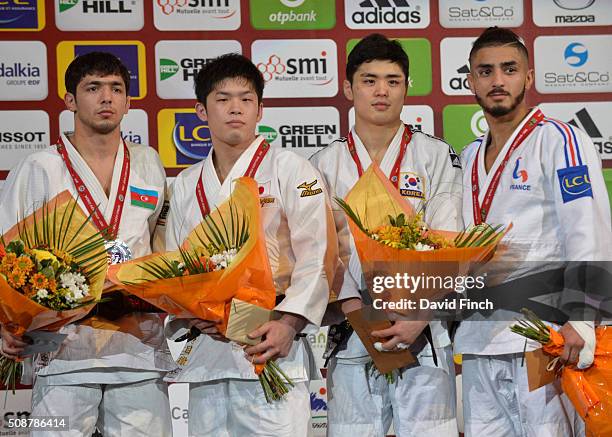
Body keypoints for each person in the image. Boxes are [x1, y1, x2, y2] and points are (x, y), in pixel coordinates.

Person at [0, 52, 175, 436]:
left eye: (116, 89)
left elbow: (163, 243)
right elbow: (8, 257)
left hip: (138, 350)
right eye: (93, 88)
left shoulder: (148, 162)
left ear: (129, 102)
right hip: (63, 352)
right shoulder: (39, 167)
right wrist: (6, 324)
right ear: (70, 100)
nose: (106, 98)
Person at [164, 53, 336, 436]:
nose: (235, 109)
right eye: (223, 99)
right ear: (201, 111)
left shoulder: (292, 169)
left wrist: (290, 323)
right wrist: (191, 313)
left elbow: (319, 255)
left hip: (272, 345)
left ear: (260, 109)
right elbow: (175, 265)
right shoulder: (187, 183)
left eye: (245, 99)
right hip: (207, 356)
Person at [456, 26, 612, 436]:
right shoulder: (470, 155)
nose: (497, 80)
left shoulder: (560, 139)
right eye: (485, 71)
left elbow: (587, 227)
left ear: (528, 77)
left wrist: (581, 317)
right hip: (478, 338)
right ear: (470, 81)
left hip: (542, 338)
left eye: (509, 69)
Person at [310, 33, 462, 437]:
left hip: (421, 335)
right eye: (369, 79)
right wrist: (354, 311)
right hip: (351, 334)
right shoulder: (321, 164)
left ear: (407, 87)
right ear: (348, 87)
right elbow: (314, 251)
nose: (382, 91)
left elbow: (452, 243)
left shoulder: (435, 155)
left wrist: (419, 314)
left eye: (393, 81)